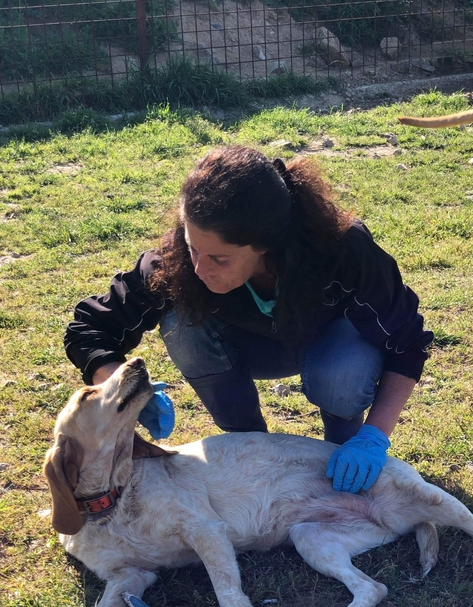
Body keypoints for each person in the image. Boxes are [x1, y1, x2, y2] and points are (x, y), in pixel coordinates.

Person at [65, 146, 433, 494]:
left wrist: (373, 437)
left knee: (340, 374)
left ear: (267, 244)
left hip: (327, 349)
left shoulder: (342, 250)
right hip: (243, 350)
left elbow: (406, 344)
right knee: (181, 324)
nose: (200, 269)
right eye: (193, 248)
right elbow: (89, 329)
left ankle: (343, 440)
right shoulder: (177, 262)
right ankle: (249, 444)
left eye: (220, 259)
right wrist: (123, 390)